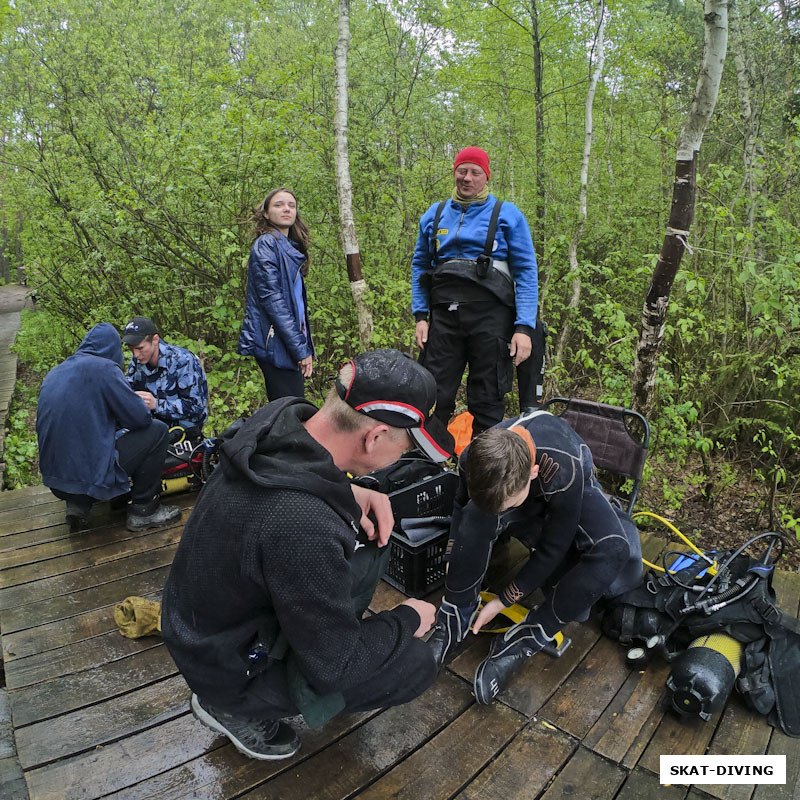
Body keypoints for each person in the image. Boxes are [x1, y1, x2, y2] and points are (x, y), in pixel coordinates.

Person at [161, 349, 454, 761]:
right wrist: (407, 618)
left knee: (373, 544)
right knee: (415, 662)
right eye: (404, 448)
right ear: (373, 437)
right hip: (226, 666)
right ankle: (231, 707)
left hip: (200, 624)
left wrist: (352, 490)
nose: (402, 458)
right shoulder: (302, 523)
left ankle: (321, 638)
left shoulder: (280, 418)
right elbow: (336, 667)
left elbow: (287, 489)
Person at [427, 408, 643, 704]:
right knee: (477, 516)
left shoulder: (564, 471)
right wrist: (454, 553)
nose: (503, 513)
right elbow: (459, 506)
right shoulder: (471, 459)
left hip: (563, 489)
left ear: (533, 472)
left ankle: (523, 640)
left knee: (615, 549)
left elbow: (553, 548)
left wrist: (506, 599)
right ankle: (453, 620)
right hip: (512, 486)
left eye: (507, 507)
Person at [412, 146, 541, 436]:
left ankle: (483, 471)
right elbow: (420, 265)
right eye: (462, 171)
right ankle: (424, 467)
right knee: (433, 395)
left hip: (492, 320)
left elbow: (526, 272)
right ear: (454, 173)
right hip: (444, 318)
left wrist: (523, 327)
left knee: (487, 399)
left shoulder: (508, 215)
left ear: (486, 177)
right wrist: (421, 317)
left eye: (475, 172)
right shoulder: (435, 214)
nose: (467, 178)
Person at [36, 323, 181, 533]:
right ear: (112, 349)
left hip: (56, 482)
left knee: (84, 440)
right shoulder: (104, 368)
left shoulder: (57, 372)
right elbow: (140, 419)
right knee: (157, 432)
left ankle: (78, 505)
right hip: (87, 476)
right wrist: (135, 400)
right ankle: (144, 510)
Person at [238, 188, 314, 401]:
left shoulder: (289, 247)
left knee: (290, 410)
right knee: (289, 412)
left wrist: (303, 345)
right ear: (266, 213)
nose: (286, 209)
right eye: (279, 205)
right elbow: (274, 303)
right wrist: (301, 349)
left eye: (291, 205)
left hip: (287, 342)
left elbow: (296, 305)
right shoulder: (267, 245)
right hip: (274, 343)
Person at [123, 316, 208, 438]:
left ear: (155, 340)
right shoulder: (137, 362)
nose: (136, 355)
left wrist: (157, 404)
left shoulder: (183, 361)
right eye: (131, 349)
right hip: (149, 424)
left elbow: (195, 408)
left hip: (182, 430)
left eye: (140, 348)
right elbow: (128, 390)